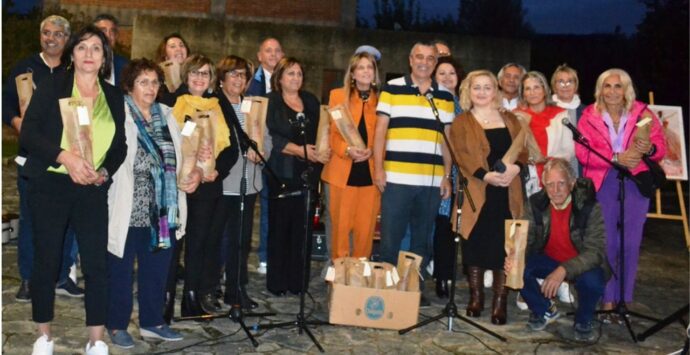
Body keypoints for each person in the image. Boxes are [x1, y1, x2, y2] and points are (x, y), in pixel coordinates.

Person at [19, 25, 127, 355]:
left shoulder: (112, 97)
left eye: (97, 48)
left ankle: (96, 340)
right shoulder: (54, 86)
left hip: (92, 189)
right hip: (51, 184)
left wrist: (104, 172)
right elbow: (29, 135)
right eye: (82, 47)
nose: (89, 54)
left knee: (97, 266)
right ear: (73, 54)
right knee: (47, 261)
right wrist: (65, 157)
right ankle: (44, 335)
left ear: (105, 57)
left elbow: (120, 146)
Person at [106, 59, 200, 348]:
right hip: (128, 202)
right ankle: (117, 324)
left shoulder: (169, 115)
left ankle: (152, 322)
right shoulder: (118, 113)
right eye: (143, 81)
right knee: (120, 269)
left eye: (155, 82)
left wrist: (194, 171)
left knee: (157, 269)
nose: (150, 87)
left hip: (163, 208)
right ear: (130, 85)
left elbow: (185, 154)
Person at [2, 15, 84, 303]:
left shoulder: (74, 70)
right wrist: (15, 121)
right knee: (30, 220)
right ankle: (29, 278)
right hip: (32, 158)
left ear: (67, 39)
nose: (51, 38)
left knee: (69, 221)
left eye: (58, 34)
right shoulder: (24, 67)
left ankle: (62, 276)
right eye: (46, 33)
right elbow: (5, 102)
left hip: (68, 159)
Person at [575, 68, 665, 324]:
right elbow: (583, 154)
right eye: (607, 86)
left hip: (635, 181)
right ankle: (607, 297)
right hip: (604, 180)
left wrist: (650, 148)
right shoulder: (588, 116)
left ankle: (624, 298)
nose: (612, 91)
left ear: (626, 89)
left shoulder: (643, 114)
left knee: (630, 243)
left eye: (618, 86)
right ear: (600, 89)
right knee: (607, 243)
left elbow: (660, 148)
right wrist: (615, 158)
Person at [373, 42, 454, 307]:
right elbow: (380, 132)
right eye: (419, 56)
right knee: (390, 240)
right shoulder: (392, 87)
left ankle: (413, 291)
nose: (424, 62)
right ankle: (384, 291)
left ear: (435, 62)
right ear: (410, 59)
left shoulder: (444, 95)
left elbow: (447, 140)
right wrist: (378, 168)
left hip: (430, 183)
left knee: (421, 241)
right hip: (396, 179)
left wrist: (447, 176)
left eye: (430, 58)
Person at [450, 70, 525, 325]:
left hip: (507, 192)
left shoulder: (511, 119)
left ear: (496, 91)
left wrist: (517, 169)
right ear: (468, 92)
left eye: (487, 87)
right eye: (476, 87)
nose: (481, 92)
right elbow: (461, 155)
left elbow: (523, 151)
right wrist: (486, 175)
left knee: (504, 247)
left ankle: (499, 302)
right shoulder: (461, 121)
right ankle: (476, 297)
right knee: (474, 246)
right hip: (476, 191)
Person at [508, 158, 609, 342]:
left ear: (572, 183)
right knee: (516, 265)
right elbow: (525, 239)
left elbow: (595, 252)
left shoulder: (590, 206)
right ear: (543, 186)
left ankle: (584, 320)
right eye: (550, 185)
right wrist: (514, 255)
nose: (555, 190)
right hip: (550, 260)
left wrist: (563, 270)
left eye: (561, 183)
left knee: (593, 281)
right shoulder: (535, 204)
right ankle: (544, 309)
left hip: (581, 263)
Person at [168, 54, 237, 318]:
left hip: (210, 185)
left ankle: (191, 299)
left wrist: (216, 170)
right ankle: (166, 300)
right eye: (195, 73)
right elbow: (174, 141)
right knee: (176, 244)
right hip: (181, 184)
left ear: (211, 80)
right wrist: (193, 167)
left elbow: (232, 148)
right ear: (186, 76)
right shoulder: (175, 102)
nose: (199, 78)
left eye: (205, 74)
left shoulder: (219, 105)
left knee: (201, 244)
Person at [214, 55, 270, 309]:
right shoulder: (214, 104)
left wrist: (262, 153)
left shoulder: (253, 105)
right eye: (233, 74)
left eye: (243, 75)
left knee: (242, 239)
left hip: (249, 182)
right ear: (222, 78)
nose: (239, 80)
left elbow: (266, 137)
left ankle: (236, 288)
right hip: (223, 182)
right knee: (218, 239)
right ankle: (212, 285)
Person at [265, 57, 324, 295]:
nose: (296, 78)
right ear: (279, 78)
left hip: (307, 175)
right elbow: (269, 136)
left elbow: (322, 131)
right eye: (290, 74)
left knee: (302, 231)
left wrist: (320, 152)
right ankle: (277, 283)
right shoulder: (271, 102)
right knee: (280, 229)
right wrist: (299, 150)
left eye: (299, 74)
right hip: (281, 173)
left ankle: (297, 282)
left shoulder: (310, 100)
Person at [321, 52, 380, 260]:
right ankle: (338, 279)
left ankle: (359, 279)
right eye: (361, 67)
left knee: (365, 231)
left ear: (375, 73)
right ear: (353, 73)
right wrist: (347, 150)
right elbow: (331, 133)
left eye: (370, 67)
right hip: (341, 173)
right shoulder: (338, 95)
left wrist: (373, 150)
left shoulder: (382, 100)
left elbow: (386, 136)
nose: (366, 71)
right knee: (340, 230)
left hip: (370, 175)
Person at [247, 37, 285, 275]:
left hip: (279, 155)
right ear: (260, 56)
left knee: (273, 208)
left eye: (277, 50)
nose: (273, 55)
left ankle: (267, 255)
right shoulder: (251, 82)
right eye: (268, 51)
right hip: (253, 153)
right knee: (248, 207)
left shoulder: (288, 81)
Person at [430, 55, 462, 298]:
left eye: (452, 73)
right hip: (426, 170)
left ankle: (443, 276)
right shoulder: (428, 101)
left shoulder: (461, 106)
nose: (447, 78)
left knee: (446, 227)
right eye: (442, 73)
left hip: (451, 174)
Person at [514, 71, 574, 197]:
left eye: (536, 87)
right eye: (528, 89)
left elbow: (569, 149)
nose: (532, 92)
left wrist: (549, 163)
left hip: (555, 175)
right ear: (523, 94)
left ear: (545, 90)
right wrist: (528, 159)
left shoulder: (561, 114)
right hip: (524, 175)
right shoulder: (516, 116)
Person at [550, 64, 584, 175]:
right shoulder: (545, 109)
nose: (565, 85)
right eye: (560, 81)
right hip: (551, 168)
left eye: (570, 81)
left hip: (580, 168)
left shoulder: (587, 111)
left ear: (576, 85)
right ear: (554, 86)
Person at [155, 33, 191, 106]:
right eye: (172, 46)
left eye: (181, 45)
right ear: (165, 55)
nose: (179, 49)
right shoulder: (158, 79)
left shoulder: (195, 76)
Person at [93, 13, 128, 86]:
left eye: (112, 31)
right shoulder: (83, 63)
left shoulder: (126, 66)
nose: (108, 35)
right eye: (103, 30)